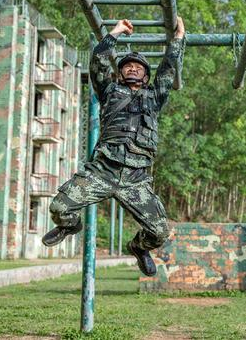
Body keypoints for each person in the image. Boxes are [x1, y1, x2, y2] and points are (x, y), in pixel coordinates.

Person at [42, 17, 186, 276]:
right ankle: (70, 226)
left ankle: (138, 248)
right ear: (120, 73)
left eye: (138, 67)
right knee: (59, 208)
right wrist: (115, 33)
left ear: (145, 75)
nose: (132, 69)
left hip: (136, 178)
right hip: (102, 171)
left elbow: (168, 70)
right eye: (127, 66)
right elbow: (98, 60)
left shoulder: (154, 97)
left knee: (160, 232)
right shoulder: (109, 91)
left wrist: (177, 39)